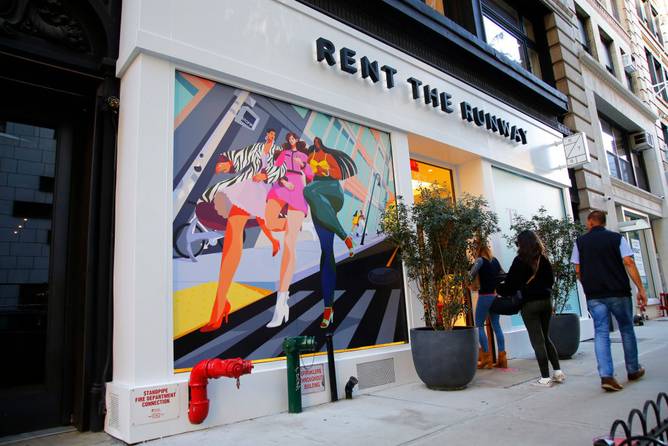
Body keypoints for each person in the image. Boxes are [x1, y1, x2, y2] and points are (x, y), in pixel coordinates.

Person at [199, 129, 286, 332]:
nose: (271, 136)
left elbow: (282, 170)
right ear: (266, 135)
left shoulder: (279, 151)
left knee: (234, 234)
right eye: (270, 134)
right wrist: (227, 165)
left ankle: (219, 309)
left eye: (274, 135)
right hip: (245, 186)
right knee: (233, 234)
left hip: (260, 190)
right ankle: (220, 306)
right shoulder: (256, 148)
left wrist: (265, 174)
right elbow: (240, 158)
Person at [571, 210, 647, 392]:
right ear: (604, 223)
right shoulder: (617, 239)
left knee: (601, 332)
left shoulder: (580, 242)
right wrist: (640, 288)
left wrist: (587, 285)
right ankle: (633, 369)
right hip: (618, 291)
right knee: (627, 329)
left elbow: (578, 270)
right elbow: (628, 262)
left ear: (590, 222)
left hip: (595, 295)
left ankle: (606, 375)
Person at [498, 230, 565, 387]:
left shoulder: (519, 261)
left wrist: (498, 290)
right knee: (546, 337)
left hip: (530, 305)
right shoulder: (543, 259)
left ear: (521, 244)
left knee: (537, 340)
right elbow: (551, 281)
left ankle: (545, 377)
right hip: (546, 302)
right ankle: (558, 371)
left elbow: (510, 286)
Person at [303, 137, 357, 328]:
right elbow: (307, 174)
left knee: (308, 190)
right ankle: (328, 308)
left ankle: (344, 234)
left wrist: (321, 169)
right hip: (320, 203)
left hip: (332, 193)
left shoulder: (326, 155)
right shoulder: (308, 159)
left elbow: (338, 174)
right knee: (326, 251)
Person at [264, 132, 314, 328]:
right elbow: (275, 169)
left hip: (297, 192)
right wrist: (283, 180)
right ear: (288, 140)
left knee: (288, 244)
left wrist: (304, 167)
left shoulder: (303, 156)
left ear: (298, 141)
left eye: (294, 138)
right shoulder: (283, 154)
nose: (292, 140)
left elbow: (309, 176)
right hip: (281, 186)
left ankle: (281, 305)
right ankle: (303, 225)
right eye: (290, 138)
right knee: (269, 222)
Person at [469, 242, 507, 369]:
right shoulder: (494, 261)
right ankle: (502, 357)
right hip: (495, 296)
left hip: (485, 296)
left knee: (478, 325)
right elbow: (503, 275)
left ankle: (486, 357)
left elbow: (471, 275)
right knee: (496, 325)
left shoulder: (480, 261)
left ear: (479, 251)